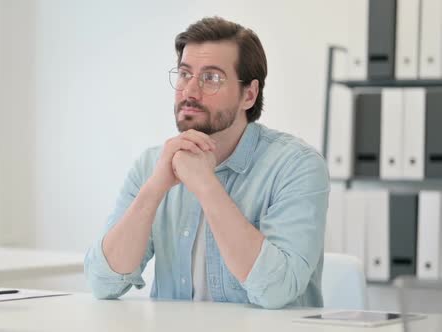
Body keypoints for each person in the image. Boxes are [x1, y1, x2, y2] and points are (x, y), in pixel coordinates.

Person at [84, 16, 329, 309]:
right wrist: (155, 189)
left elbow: (276, 291)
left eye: (211, 78)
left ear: (249, 95)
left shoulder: (297, 166)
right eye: (185, 74)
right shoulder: (152, 164)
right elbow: (103, 282)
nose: (189, 91)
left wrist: (205, 184)